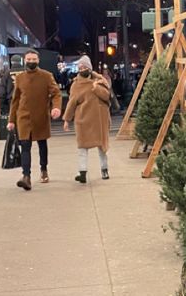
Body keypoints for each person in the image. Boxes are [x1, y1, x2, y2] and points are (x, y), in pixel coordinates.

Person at [7, 49, 61, 191]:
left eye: (33, 59)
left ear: (38, 60)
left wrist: (56, 108)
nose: (31, 62)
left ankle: (43, 169)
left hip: (41, 116)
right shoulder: (19, 78)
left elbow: (56, 94)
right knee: (25, 146)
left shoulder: (46, 76)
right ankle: (26, 176)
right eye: (29, 59)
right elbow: (15, 100)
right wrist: (11, 120)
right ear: (25, 60)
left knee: (42, 144)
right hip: (23, 117)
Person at [63, 55, 111, 182]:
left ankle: (104, 170)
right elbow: (71, 103)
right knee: (82, 147)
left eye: (84, 67)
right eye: (80, 67)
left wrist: (96, 87)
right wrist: (67, 119)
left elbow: (107, 97)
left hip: (99, 119)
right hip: (82, 119)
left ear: (89, 68)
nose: (82, 69)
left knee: (102, 146)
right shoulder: (76, 85)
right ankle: (82, 172)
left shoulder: (100, 81)